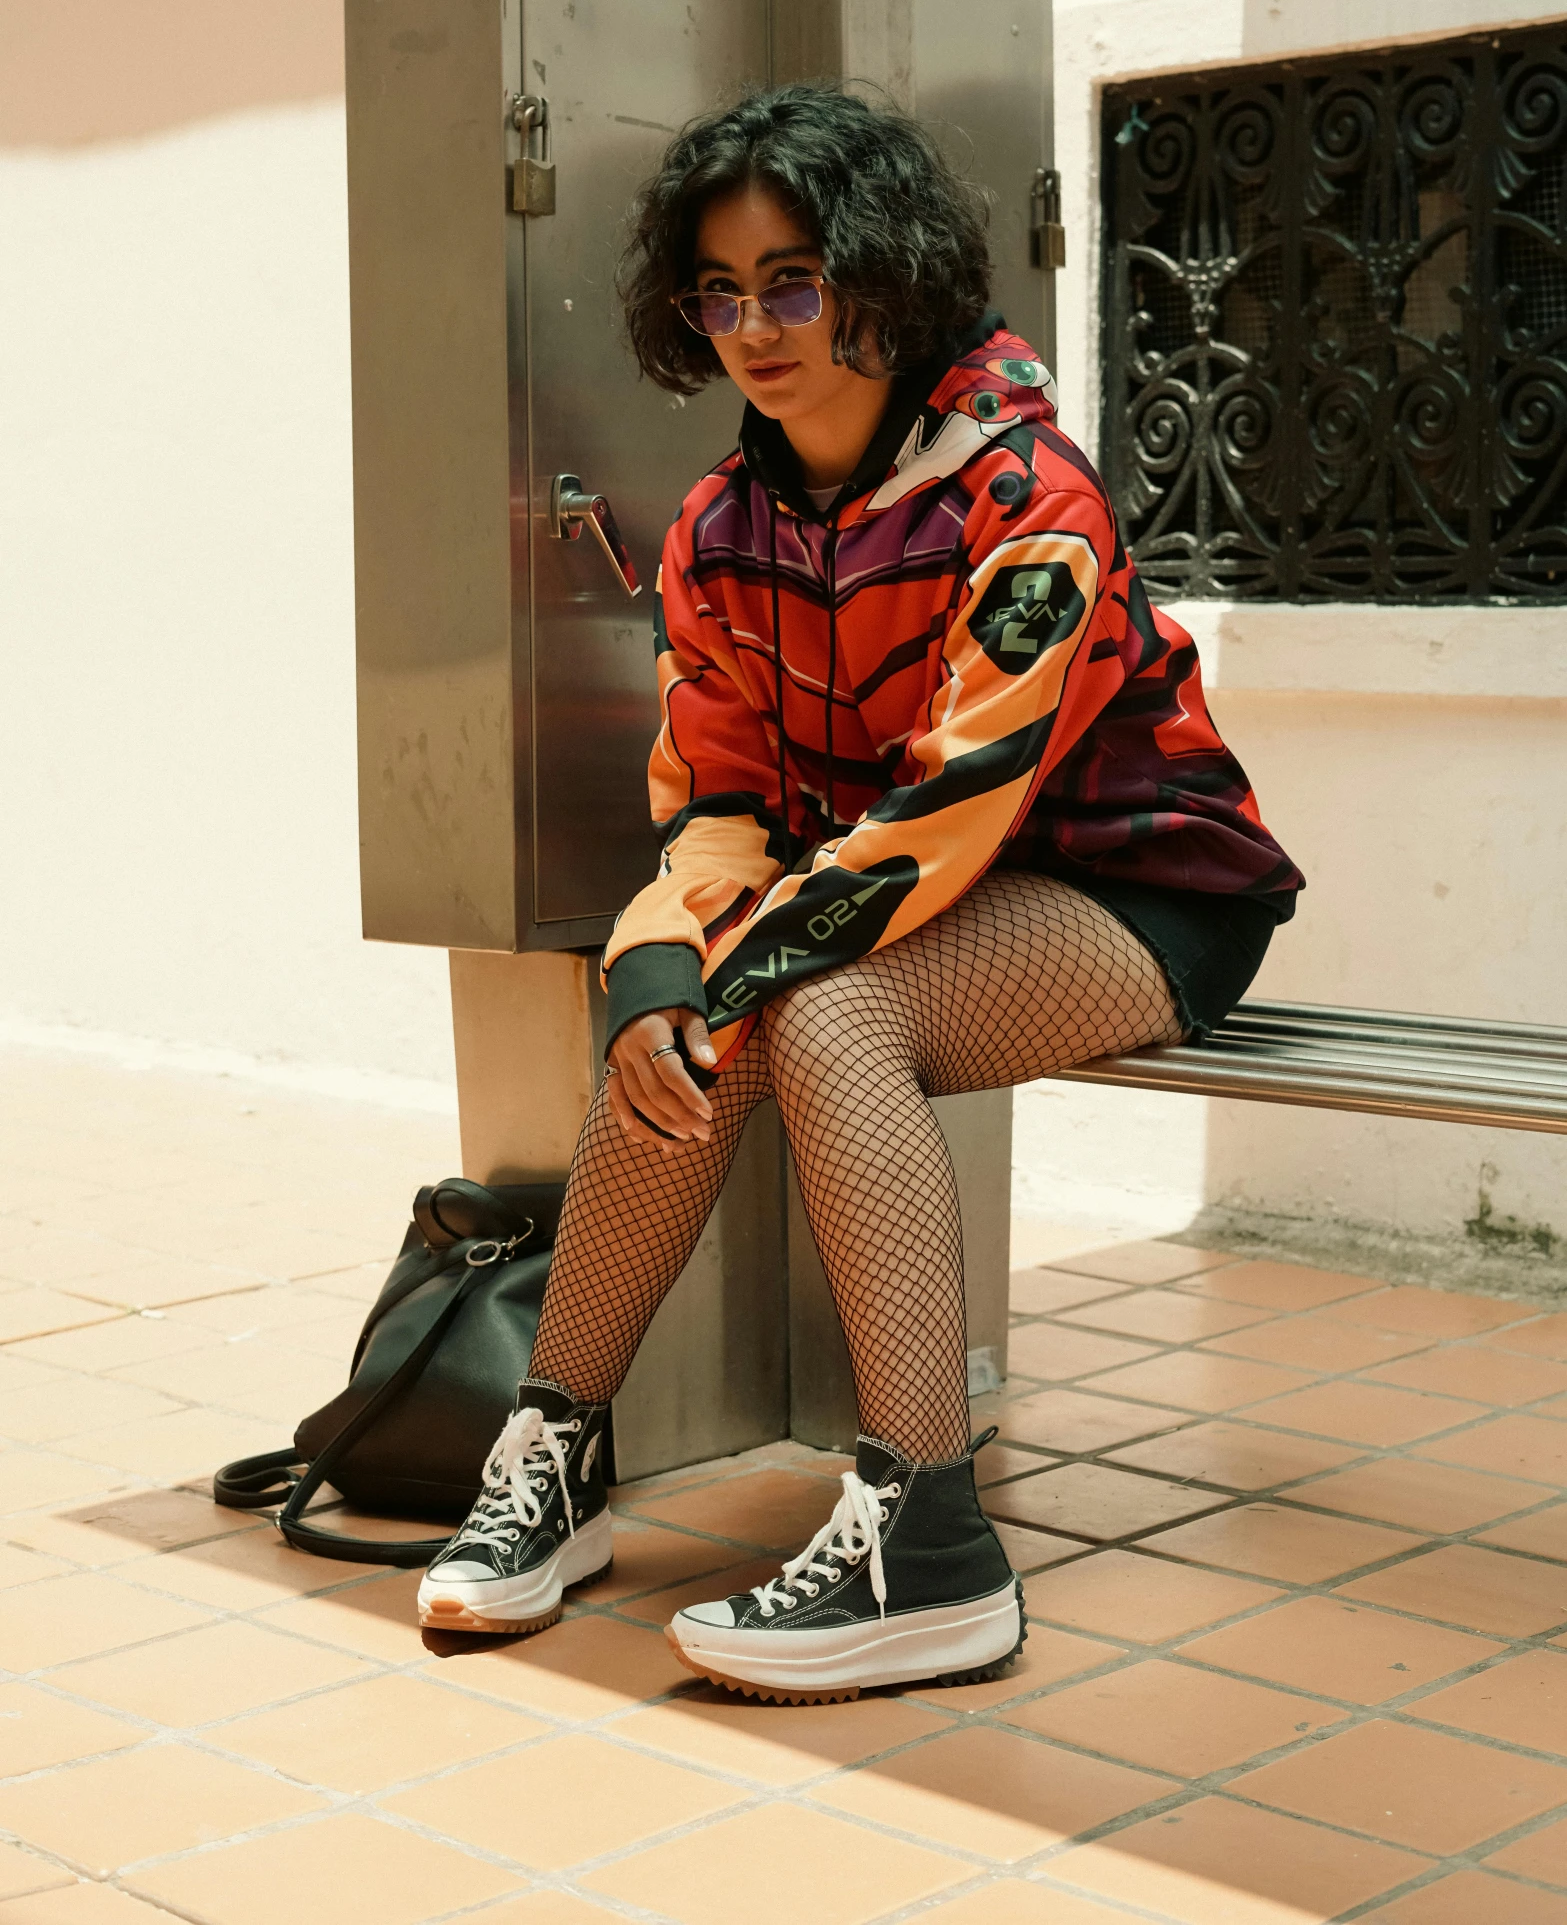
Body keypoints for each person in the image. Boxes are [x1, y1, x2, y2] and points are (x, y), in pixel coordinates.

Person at [416, 85, 1303, 1701]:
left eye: (797, 280)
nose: (755, 325)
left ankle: (933, 1542)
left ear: (882, 278)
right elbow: (719, 804)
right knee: (699, 1021)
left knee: (809, 1004)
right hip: (902, 893)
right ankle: (552, 1456)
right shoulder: (719, 531)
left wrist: (728, 975)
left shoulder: (1026, 497)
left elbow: (954, 805)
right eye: (721, 289)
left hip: (1134, 886)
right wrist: (656, 978)